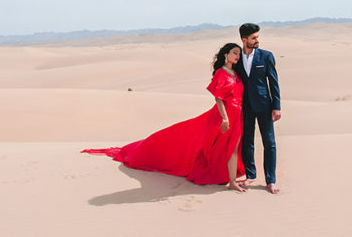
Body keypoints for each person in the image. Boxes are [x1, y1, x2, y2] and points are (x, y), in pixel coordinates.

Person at [82, 43, 247, 192]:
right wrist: (225, 118)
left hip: (237, 114)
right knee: (205, 142)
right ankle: (230, 180)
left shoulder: (236, 73)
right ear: (225, 54)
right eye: (234, 52)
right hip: (223, 115)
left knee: (232, 147)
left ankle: (231, 180)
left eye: (239, 54)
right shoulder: (221, 73)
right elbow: (219, 99)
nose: (237, 56)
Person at [236, 23, 281, 194]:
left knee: (269, 143)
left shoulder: (266, 56)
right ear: (244, 39)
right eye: (254, 38)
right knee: (247, 141)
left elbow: (274, 83)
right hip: (245, 107)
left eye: (257, 37)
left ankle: (271, 180)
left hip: (265, 106)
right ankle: (250, 174)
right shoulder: (237, 57)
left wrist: (276, 107)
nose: (257, 40)